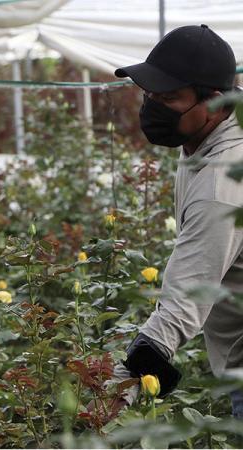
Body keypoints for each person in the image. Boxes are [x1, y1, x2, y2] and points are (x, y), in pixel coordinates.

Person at [112, 24, 243, 416]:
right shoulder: (204, 142)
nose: (152, 106)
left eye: (168, 98)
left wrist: (119, 386)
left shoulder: (222, 181)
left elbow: (183, 306)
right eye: (149, 94)